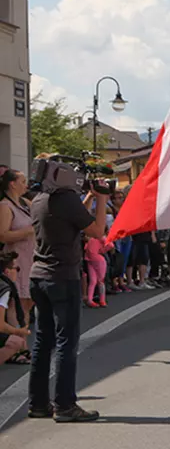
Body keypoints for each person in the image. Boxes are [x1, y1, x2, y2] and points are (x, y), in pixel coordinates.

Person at [27, 163, 110, 422]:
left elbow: (72, 219)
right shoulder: (65, 199)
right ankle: (65, 405)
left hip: (39, 276)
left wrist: (86, 198)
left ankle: (38, 404)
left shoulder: (39, 199)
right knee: (66, 341)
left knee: (43, 341)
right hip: (63, 277)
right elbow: (96, 231)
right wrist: (102, 200)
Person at [0, 168, 36, 320]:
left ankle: (22, 341)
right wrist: (28, 230)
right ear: (12, 184)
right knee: (18, 303)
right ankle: (17, 340)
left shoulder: (26, 203)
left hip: (31, 257)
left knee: (28, 302)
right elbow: (3, 235)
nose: (26, 186)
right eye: (22, 182)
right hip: (17, 259)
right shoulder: (5, 206)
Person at [0, 252, 30, 364]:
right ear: (7, 271)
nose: (17, 272)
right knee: (17, 343)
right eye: (17, 269)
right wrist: (18, 331)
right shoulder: (4, 289)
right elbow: (1, 325)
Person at [83, 234, 109, 307]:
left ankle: (96, 300)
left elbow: (110, 244)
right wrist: (102, 250)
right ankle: (97, 300)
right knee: (97, 281)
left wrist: (102, 250)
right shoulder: (97, 238)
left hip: (93, 260)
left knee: (96, 281)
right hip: (94, 260)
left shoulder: (97, 237)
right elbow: (110, 245)